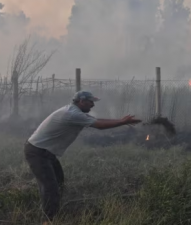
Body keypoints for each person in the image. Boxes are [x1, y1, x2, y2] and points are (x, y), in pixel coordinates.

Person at [24, 90, 142, 223]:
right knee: (51, 187)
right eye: (90, 102)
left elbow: (97, 120)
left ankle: (54, 210)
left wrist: (121, 120)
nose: (92, 105)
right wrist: (122, 122)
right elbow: (100, 125)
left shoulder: (74, 112)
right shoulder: (72, 114)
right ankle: (48, 220)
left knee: (59, 183)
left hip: (45, 152)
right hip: (38, 152)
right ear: (81, 101)